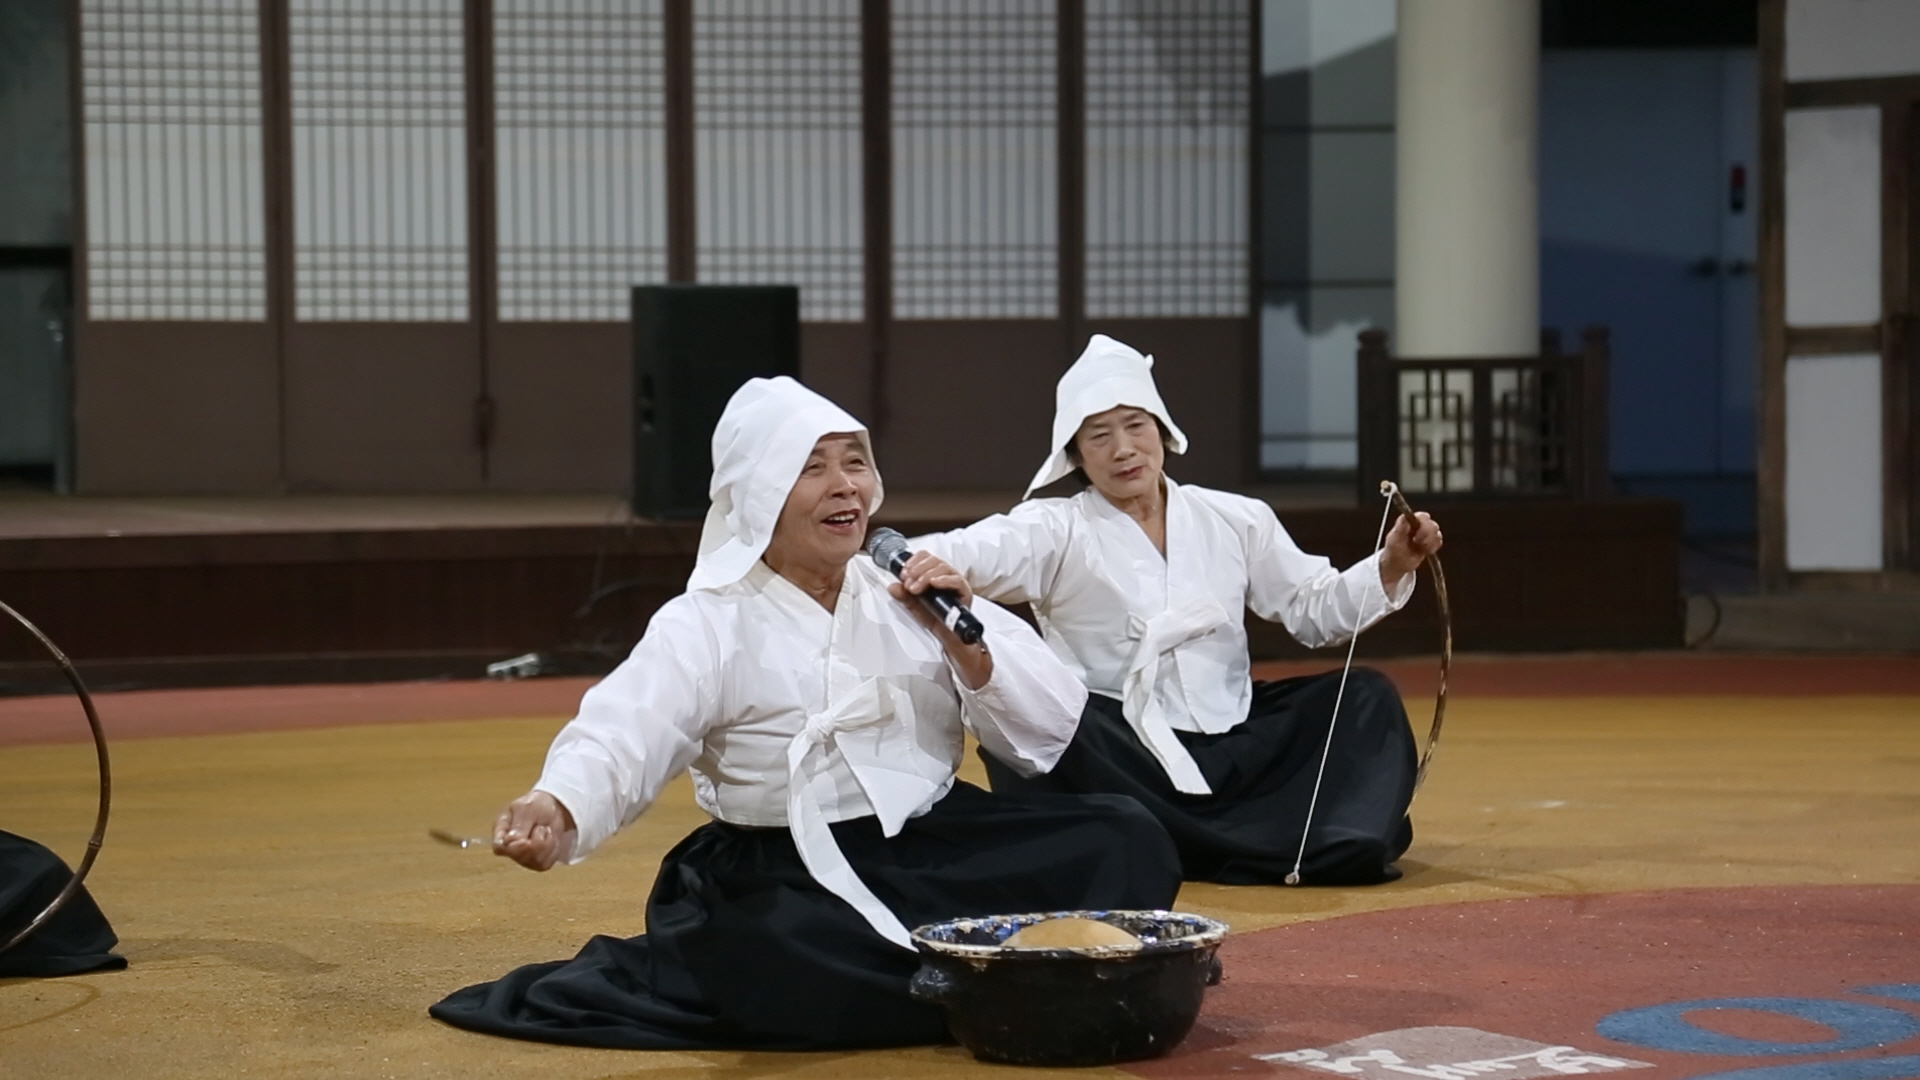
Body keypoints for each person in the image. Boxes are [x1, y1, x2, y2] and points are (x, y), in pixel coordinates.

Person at [430, 376, 1181, 1051]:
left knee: (1126, 836)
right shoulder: (707, 621)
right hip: (784, 870)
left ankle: (955, 976)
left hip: (934, 839)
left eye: (855, 463)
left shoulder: (907, 590)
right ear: (759, 494)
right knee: (784, 953)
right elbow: (626, 729)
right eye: (812, 467)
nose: (844, 485)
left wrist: (970, 651)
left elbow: (1045, 733)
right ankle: (1001, 974)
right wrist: (559, 803)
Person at [910, 335, 1444, 887]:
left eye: (1136, 426)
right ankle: (1228, 838)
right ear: (1076, 456)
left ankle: (1214, 840)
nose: (1123, 449)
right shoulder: (1052, 527)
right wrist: (895, 559)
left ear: (1162, 431)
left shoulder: (1237, 517)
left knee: (1365, 697)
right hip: (1120, 754)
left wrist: (1391, 564)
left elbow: (1314, 610)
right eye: (1099, 436)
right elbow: (956, 551)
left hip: (1233, 737)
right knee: (1040, 715)